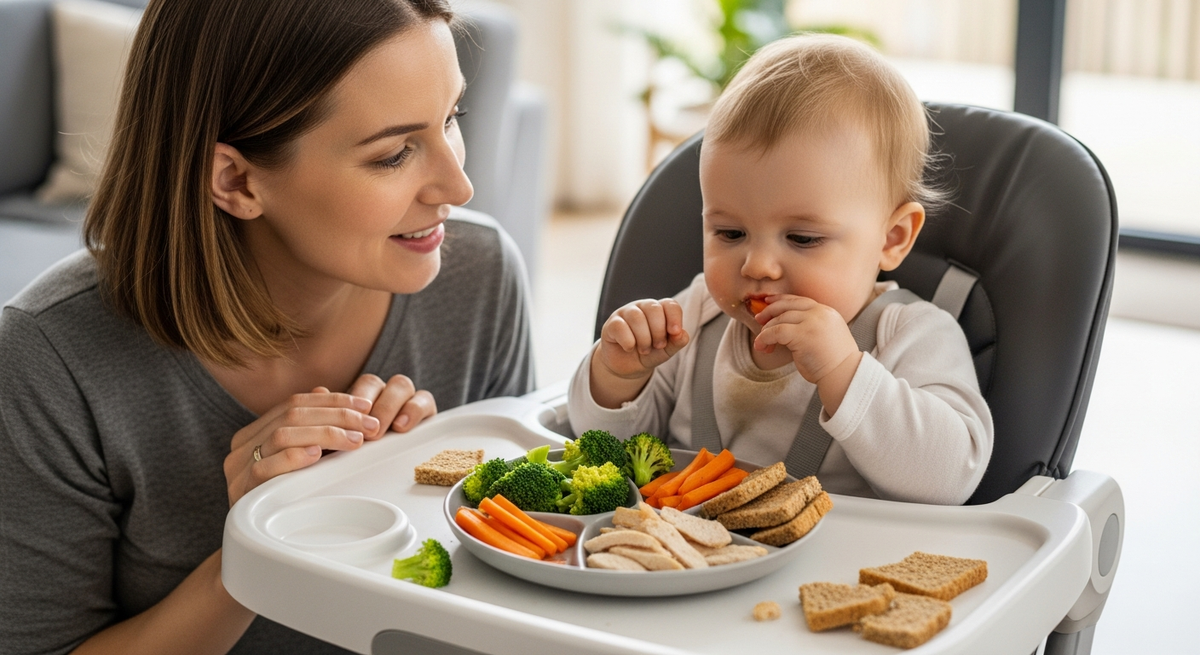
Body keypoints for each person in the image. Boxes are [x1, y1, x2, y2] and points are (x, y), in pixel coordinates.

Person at [0, 0, 533, 653]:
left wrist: (417, 486)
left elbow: (517, 588)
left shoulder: (480, 275)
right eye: (395, 154)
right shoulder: (47, 362)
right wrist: (259, 544)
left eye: (452, 118)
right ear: (236, 181)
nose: (459, 185)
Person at [569, 34, 993, 505]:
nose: (758, 265)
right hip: (686, 544)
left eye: (802, 239)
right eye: (730, 232)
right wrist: (618, 378)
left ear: (892, 238)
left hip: (841, 551)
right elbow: (609, 451)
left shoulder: (913, 335)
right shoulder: (697, 317)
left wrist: (843, 370)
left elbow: (950, 479)